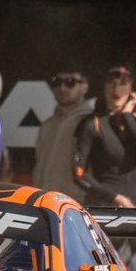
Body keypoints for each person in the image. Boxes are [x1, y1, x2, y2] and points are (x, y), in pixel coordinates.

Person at [72, 64, 136, 271]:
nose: (116, 90)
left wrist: (128, 117)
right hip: (105, 209)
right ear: (103, 88)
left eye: (123, 84)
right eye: (111, 84)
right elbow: (78, 172)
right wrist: (113, 196)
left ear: (132, 90)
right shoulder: (91, 123)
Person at [33, 70, 94, 199]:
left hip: (78, 209)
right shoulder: (47, 125)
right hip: (44, 205)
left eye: (70, 82)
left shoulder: (93, 122)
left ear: (85, 87)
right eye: (57, 82)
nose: (62, 87)